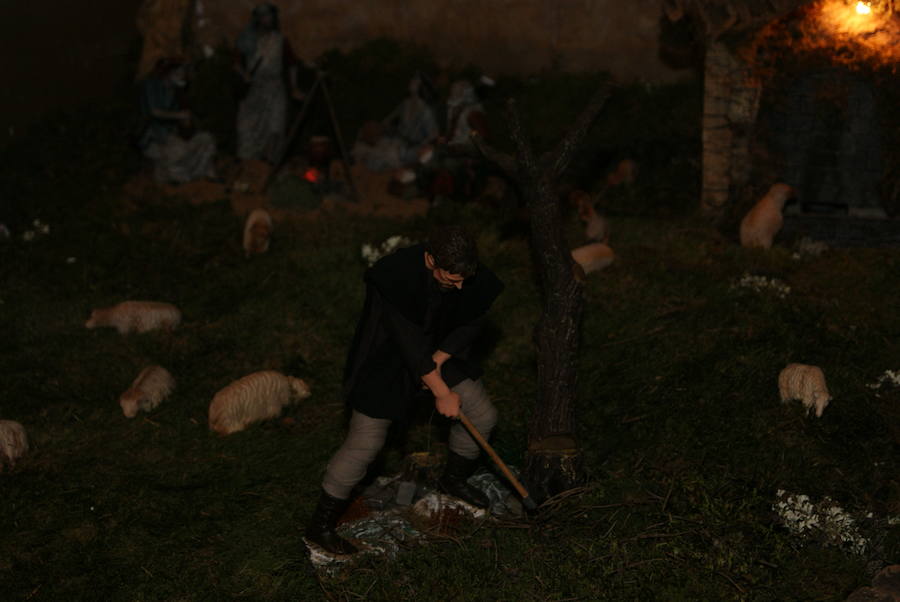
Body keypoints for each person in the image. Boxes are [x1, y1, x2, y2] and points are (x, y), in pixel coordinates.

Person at [305, 226, 504, 555]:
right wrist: (440, 392)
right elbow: (409, 345)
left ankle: (453, 480)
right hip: (389, 359)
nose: (459, 287)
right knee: (364, 444)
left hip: (439, 353)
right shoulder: (394, 277)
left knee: (483, 415)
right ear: (430, 259)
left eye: (463, 280)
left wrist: (440, 361)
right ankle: (320, 525)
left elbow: (473, 319)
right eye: (451, 279)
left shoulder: (464, 273)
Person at [234, 3, 304, 163]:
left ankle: (271, 163)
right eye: (264, 16)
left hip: (274, 89)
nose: (268, 19)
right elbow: (236, 62)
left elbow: (291, 63)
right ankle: (249, 164)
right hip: (254, 89)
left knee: (275, 129)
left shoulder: (279, 41)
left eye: (270, 16)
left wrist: (293, 88)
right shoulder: (247, 39)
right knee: (248, 129)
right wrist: (244, 75)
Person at [138, 58, 218, 185]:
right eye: (179, 72)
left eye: (183, 72)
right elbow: (155, 111)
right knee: (177, 152)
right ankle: (171, 177)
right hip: (155, 137)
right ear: (169, 73)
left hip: (172, 134)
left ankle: (206, 174)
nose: (182, 75)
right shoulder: (152, 85)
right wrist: (179, 116)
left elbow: (185, 121)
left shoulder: (176, 91)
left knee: (207, 140)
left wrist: (187, 123)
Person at [428, 80, 490, 204]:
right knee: (431, 158)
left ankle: (447, 198)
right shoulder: (456, 110)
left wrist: (465, 149)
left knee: (449, 165)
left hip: (468, 153)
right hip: (454, 149)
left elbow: (484, 139)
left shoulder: (473, 113)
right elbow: (451, 135)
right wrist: (443, 141)